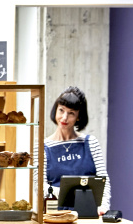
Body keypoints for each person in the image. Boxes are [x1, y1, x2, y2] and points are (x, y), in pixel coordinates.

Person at [44, 86, 111, 215]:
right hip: (56, 216)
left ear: (78, 117)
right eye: (61, 110)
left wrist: (103, 206)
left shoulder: (91, 142)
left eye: (71, 113)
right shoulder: (42, 146)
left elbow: (103, 180)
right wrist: (75, 193)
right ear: (55, 110)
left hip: (89, 213)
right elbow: (40, 187)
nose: (64, 118)